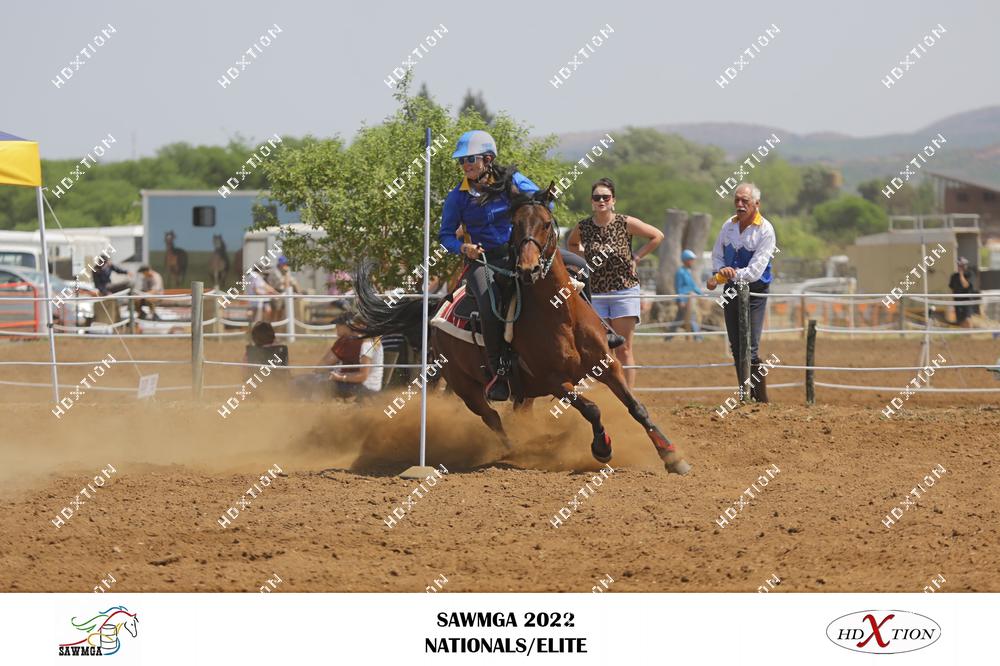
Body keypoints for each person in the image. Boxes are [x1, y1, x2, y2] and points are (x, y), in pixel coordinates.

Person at [439, 130, 623, 402]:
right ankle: (499, 372)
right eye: (462, 160)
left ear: (488, 159)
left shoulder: (513, 180)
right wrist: (463, 248)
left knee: (582, 267)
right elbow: (444, 236)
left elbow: (543, 201)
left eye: (470, 159)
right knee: (489, 305)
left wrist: (533, 219)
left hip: (522, 250)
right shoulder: (457, 197)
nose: (465, 165)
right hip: (485, 260)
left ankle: (601, 330)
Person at [567, 178, 663, 389]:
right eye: (597, 197)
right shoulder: (583, 226)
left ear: (613, 200)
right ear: (592, 201)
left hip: (624, 291)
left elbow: (657, 236)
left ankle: (628, 396)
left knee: (623, 348)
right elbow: (571, 244)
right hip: (596, 294)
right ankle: (608, 395)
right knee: (601, 349)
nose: (601, 200)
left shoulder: (624, 222)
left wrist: (637, 257)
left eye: (605, 197)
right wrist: (585, 258)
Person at [705, 182, 777, 403]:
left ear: (756, 203)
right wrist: (720, 271)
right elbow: (717, 255)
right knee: (736, 346)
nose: (739, 204)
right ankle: (745, 395)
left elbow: (755, 271)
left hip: (754, 292)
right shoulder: (728, 225)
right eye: (737, 200)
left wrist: (729, 274)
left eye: (745, 200)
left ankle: (760, 398)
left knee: (750, 346)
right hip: (731, 289)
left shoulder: (765, 230)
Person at [674, 249, 704, 341]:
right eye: (691, 259)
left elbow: (692, 286)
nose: (692, 261)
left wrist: (702, 294)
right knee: (691, 318)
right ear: (686, 260)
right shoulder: (680, 272)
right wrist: (681, 301)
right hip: (685, 300)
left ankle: (668, 337)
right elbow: (679, 287)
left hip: (689, 299)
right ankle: (698, 338)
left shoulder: (687, 272)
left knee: (679, 319)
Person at [949, 257, 979, 328]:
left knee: (967, 319)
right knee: (960, 320)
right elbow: (952, 287)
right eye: (959, 265)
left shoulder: (970, 274)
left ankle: (970, 333)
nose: (960, 267)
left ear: (966, 265)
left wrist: (961, 275)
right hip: (957, 302)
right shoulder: (954, 276)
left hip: (967, 302)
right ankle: (964, 334)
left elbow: (966, 285)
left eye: (962, 265)